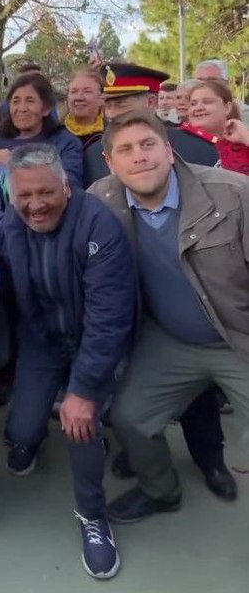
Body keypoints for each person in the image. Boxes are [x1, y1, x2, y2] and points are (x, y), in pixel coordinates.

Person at [90, 110, 249, 524]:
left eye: (148, 144)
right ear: (110, 163)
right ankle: (161, 491)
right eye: (125, 150)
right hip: (172, 340)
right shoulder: (100, 202)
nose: (139, 157)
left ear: (168, 148)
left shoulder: (234, 193)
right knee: (129, 416)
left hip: (239, 338)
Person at [0, 144, 136, 580]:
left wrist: (84, 390)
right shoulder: (5, 227)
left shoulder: (100, 227)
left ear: (67, 187)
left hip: (90, 340)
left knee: (80, 423)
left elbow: (108, 321)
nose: (35, 206)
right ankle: (34, 427)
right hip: (42, 341)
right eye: (25, 196)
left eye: (45, 193)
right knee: (20, 433)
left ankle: (93, 517)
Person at [83, 64, 219, 187]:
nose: (111, 114)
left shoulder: (196, 148)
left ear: (151, 102)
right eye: (107, 106)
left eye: (121, 105)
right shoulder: (93, 154)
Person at [0, 72, 83, 189]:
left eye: (30, 101)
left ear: (46, 108)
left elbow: (69, 186)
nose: (22, 108)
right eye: (15, 101)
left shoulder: (65, 143)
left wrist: (16, 165)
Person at [185, 80, 249, 175]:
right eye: (193, 104)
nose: (198, 108)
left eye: (207, 102)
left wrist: (246, 137)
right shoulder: (177, 140)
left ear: (227, 108)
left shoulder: (243, 141)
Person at [63, 69, 105, 149]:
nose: (79, 97)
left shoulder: (113, 136)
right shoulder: (53, 136)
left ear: (102, 98)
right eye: (73, 91)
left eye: (87, 91)